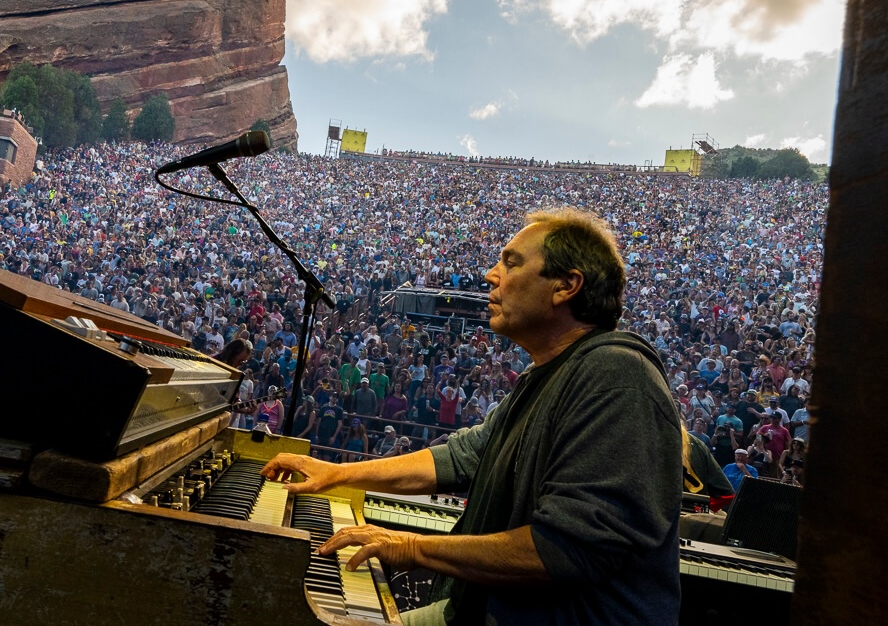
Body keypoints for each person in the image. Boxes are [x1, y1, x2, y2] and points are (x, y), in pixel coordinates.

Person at [261, 209, 682, 624]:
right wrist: (335, 474)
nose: (491, 275)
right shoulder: (546, 376)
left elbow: (565, 550)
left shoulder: (617, 378)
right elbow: (459, 457)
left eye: (511, 262)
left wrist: (410, 547)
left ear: (566, 285)